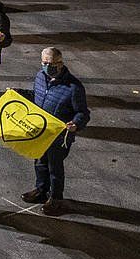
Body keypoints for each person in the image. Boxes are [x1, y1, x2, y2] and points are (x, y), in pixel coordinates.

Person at [22, 48, 90, 216]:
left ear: (60, 63)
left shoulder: (74, 87)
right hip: (42, 131)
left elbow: (83, 113)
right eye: (44, 63)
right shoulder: (40, 77)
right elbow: (36, 95)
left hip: (60, 136)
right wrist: (18, 93)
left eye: (50, 63)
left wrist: (75, 123)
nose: (47, 66)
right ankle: (41, 191)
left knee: (55, 168)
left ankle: (56, 199)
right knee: (40, 162)